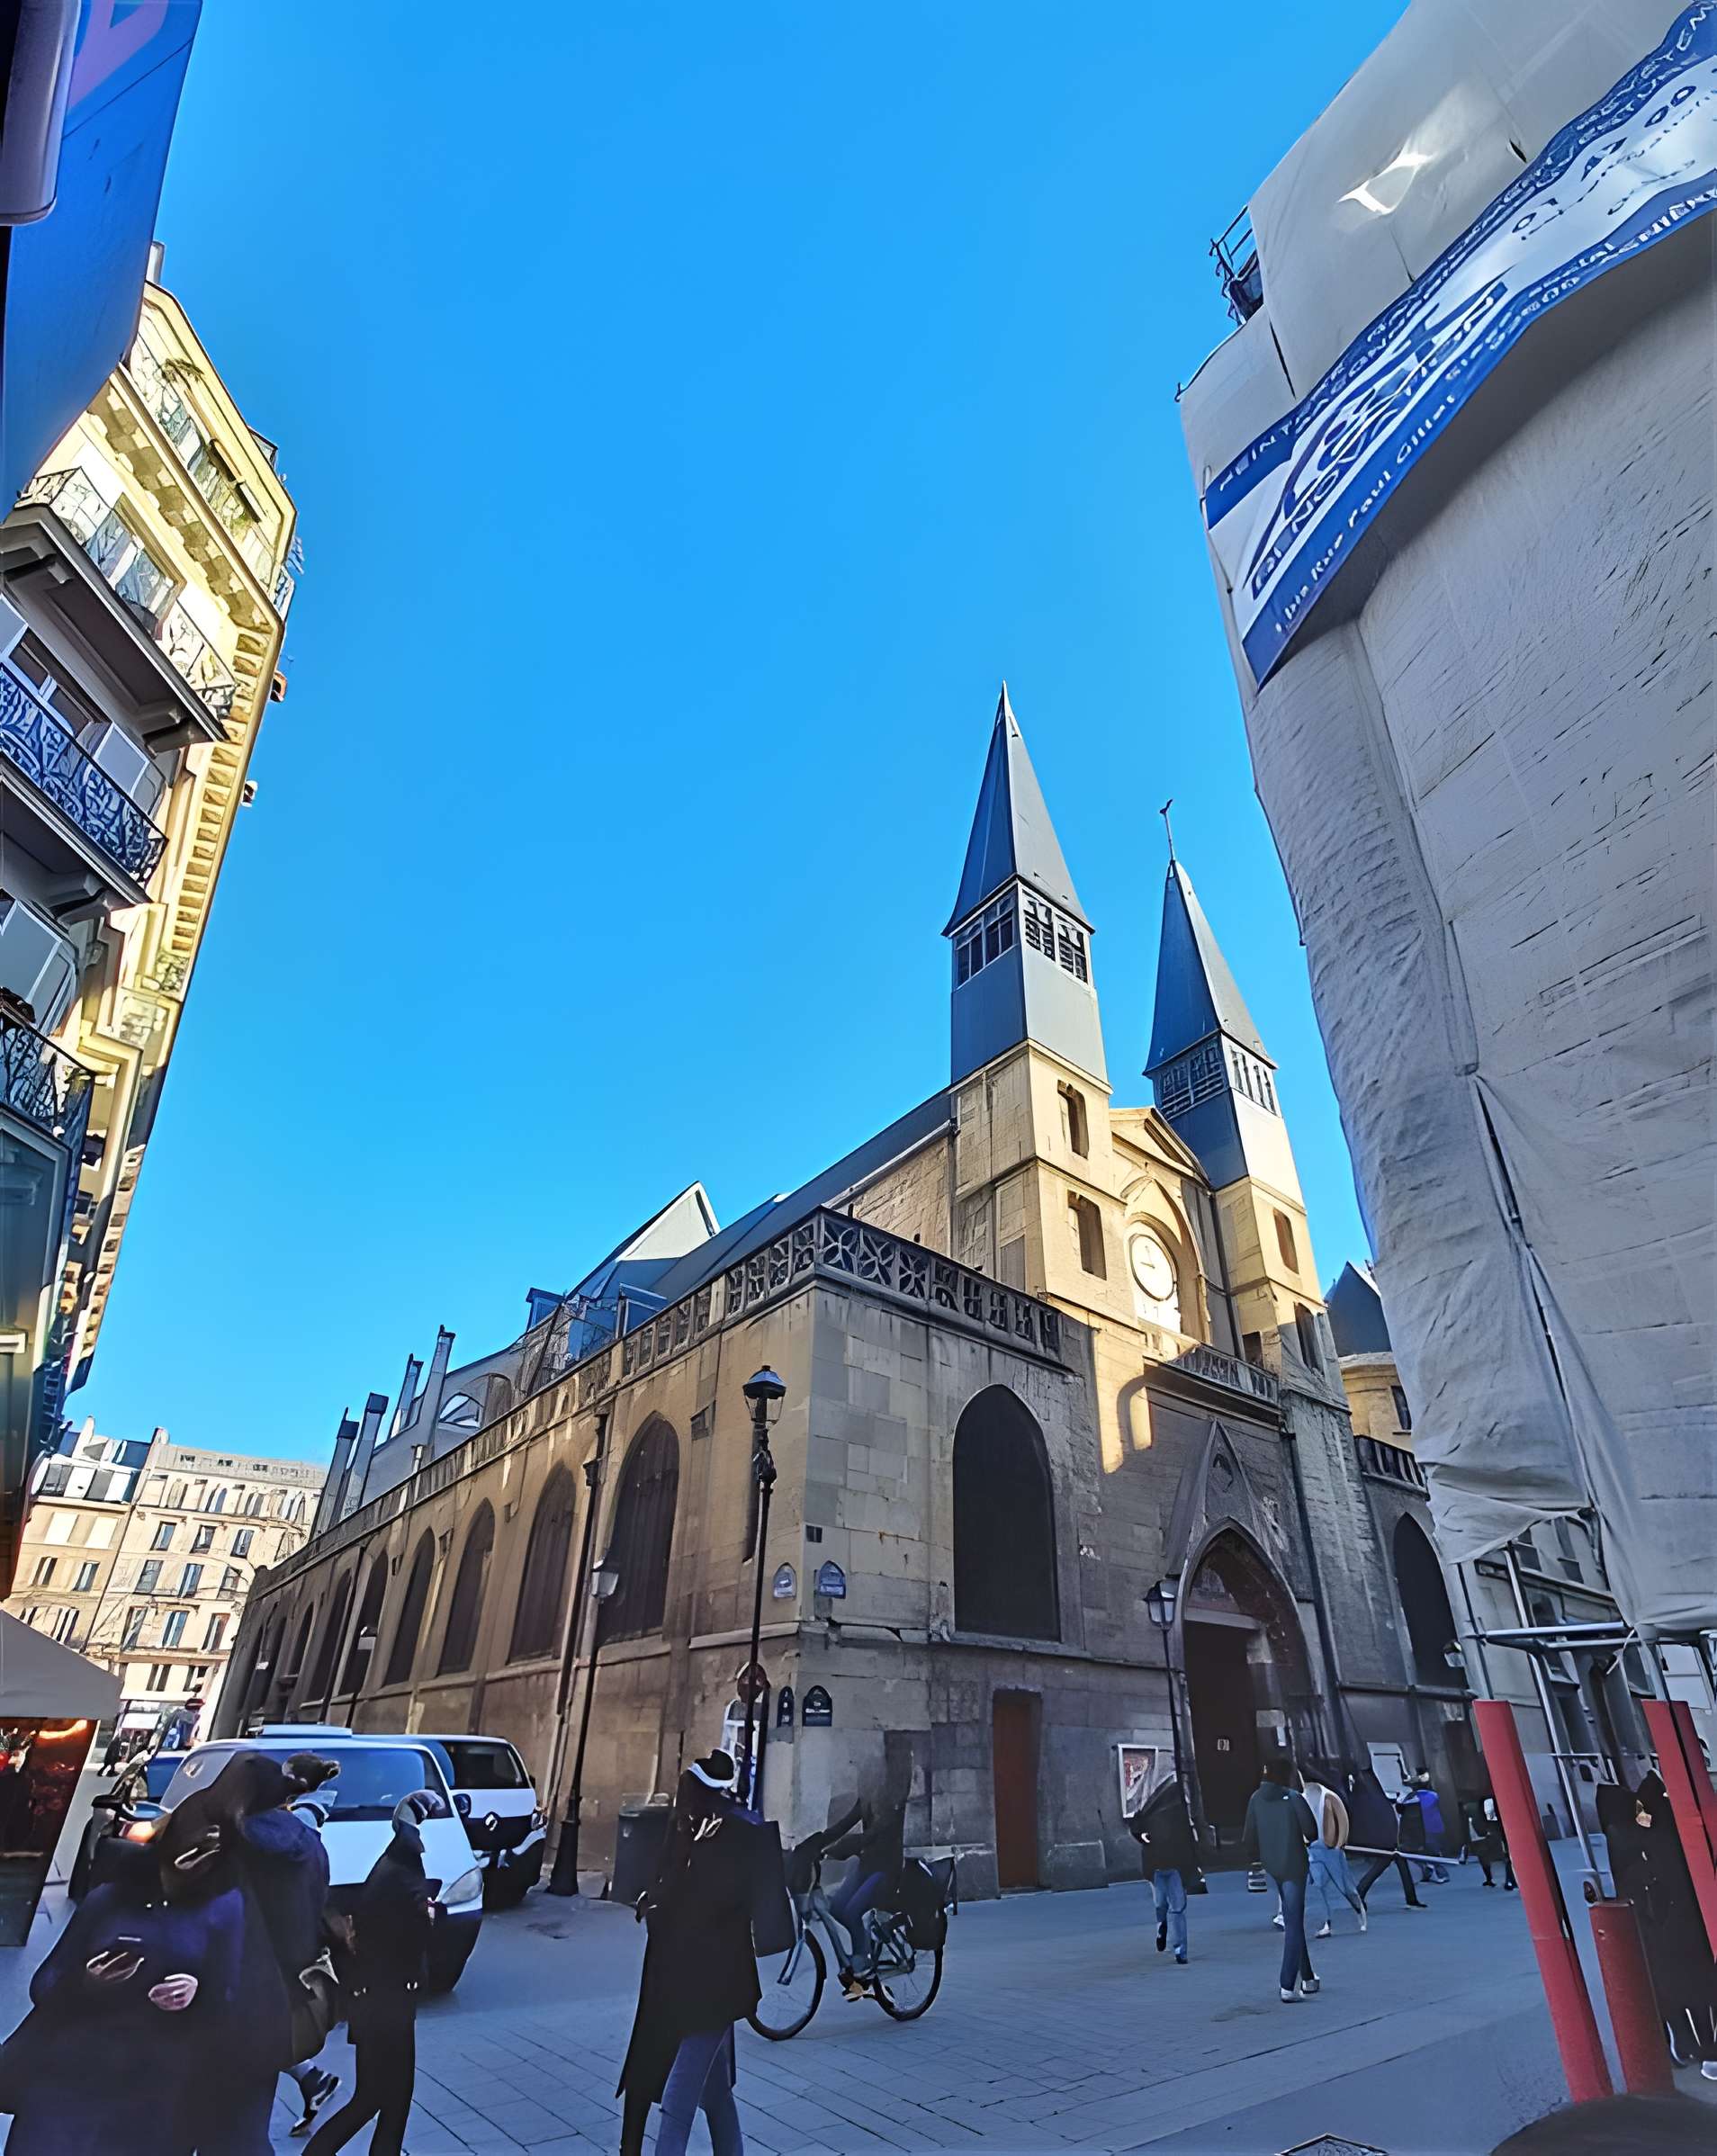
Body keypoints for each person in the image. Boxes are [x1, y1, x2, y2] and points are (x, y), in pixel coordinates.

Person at [4, 1826, 246, 2152]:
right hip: (72, 2070)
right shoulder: (110, 1898)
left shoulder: (225, 1909)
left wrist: (194, 1992)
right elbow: (45, 1983)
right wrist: (87, 1981)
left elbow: (230, 1997)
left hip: (154, 2085)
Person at [617, 1750, 788, 2156]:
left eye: (690, 1792)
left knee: (678, 2101)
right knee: (715, 2097)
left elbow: (717, 1903)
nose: (684, 1801)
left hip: (715, 1987)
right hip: (689, 1982)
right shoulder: (695, 1832)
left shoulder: (736, 1835)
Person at [304, 1791, 445, 2155]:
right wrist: (431, 1916)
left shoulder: (389, 1868)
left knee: (390, 2098)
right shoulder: (401, 1874)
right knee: (378, 2097)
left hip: (379, 1998)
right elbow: (416, 1934)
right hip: (387, 2002)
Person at [229, 1755, 344, 2136]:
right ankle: (311, 2078)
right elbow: (320, 1896)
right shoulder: (309, 1839)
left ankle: (311, 2079)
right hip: (292, 1957)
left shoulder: (238, 1838)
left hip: (243, 1961)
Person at [1601, 1774, 1717, 2078]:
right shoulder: (1662, 1829)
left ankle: (1685, 2039)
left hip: (1656, 1916)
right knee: (1700, 1981)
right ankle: (1702, 2043)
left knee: (1673, 1983)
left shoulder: (1625, 1832)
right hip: (1682, 1911)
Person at [1242, 1757, 1321, 2002]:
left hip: (1273, 1865)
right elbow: (1311, 1832)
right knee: (1294, 1923)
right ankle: (1287, 1984)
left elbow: (1248, 1838)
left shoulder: (1255, 1799)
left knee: (1291, 1915)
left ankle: (1308, 1977)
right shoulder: (1293, 1797)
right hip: (1294, 1864)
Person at [823, 1798, 905, 1999]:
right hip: (866, 1865)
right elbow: (844, 1823)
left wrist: (838, 1848)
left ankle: (864, 1965)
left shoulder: (891, 1793)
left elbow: (875, 1834)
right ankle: (864, 1950)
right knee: (835, 1907)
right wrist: (815, 1843)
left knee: (852, 1913)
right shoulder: (869, 1793)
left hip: (886, 1869)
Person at [1128, 1772, 1197, 1963]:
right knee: (1171, 1906)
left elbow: (1136, 1827)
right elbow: (1189, 1842)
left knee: (1170, 1906)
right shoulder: (1167, 1811)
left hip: (1162, 1867)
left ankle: (1176, 1945)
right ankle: (1171, 1938)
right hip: (1166, 1866)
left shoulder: (1155, 1810)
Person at [1346, 1765, 1428, 1911]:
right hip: (1387, 1835)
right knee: (1388, 1861)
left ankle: (1410, 1898)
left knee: (1394, 1861)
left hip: (1383, 1834)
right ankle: (1361, 1892)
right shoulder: (1372, 1791)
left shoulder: (1364, 1794)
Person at [1301, 1764, 1366, 1937]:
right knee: (1321, 1885)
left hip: (1331, 1848)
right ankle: (1328, 1923)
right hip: (1313, 1850)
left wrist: (1339, 1844)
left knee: (1343, 1884)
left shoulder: (1329, 1796)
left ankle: (1357, 1915)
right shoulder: (1301, 1797)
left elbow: (1342, 1821)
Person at [1409, 1771, 1452, 1883]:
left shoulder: (1413, 1798)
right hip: (1436, 1827)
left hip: (1422, 1828)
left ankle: (1438, 1873)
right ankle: (1429, 1872)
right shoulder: (1433, 1796)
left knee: (1423, 1852)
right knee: (1433, 1851)